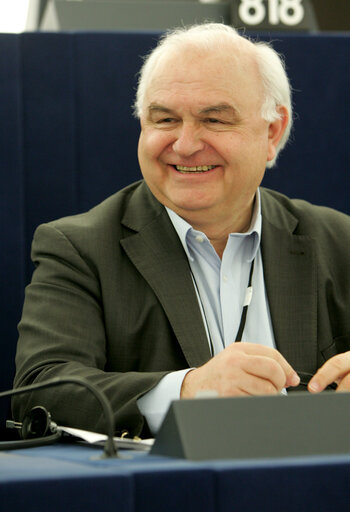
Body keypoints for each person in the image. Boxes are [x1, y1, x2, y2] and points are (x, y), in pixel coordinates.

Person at [12, 23, 350, 438]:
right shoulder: (79, 249)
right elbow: (40, 390)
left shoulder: (339, 242)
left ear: (272, 132)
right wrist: (187, 391)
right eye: (165, 118)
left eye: (214, 119)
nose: (186, 144)